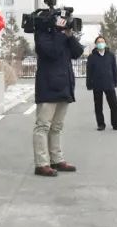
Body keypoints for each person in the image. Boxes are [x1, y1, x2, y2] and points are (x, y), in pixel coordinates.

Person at [32, 11, 84, 177]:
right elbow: (52, 52)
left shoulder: (63, 37)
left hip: (64, 88)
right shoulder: (42, 36)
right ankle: (41, 164)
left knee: (57, 127)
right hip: (48, 88)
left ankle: (57, 159)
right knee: (43, 126)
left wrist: (69, 35)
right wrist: (58, 33)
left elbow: (77, 52)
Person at [86, 35, 117, 131]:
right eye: (99, 42)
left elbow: (114, 69)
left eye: (102, 41)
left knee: (114, 105)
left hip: (109, 83)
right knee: (98, 106)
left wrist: (115, 81)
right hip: (97, 84)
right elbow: (89, 72)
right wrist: (89, 84)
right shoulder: (92, 57)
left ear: (105, 43)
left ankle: (115, 124)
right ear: (96, 44)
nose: (101, 43)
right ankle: (101, 124)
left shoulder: (110, 56)